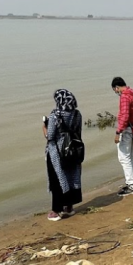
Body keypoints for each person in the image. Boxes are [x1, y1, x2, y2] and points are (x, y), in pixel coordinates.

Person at [42, 88, 84, 220]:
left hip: (57, 152)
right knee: (71, 177)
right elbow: (77, 131)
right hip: (73, 151)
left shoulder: (55, 115)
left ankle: (56, 211)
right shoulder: (77, 114)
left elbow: (50, 136)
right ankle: (69, 207)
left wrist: (44, 126)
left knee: (57, 180)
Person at [111, 77, 133, 195]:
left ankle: (132, 186)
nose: (116, 93)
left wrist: (118, 132)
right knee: (132, 156)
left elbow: (124, 115)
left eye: (115, 90)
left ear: (117, 87)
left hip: (127, 129)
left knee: (124, 157)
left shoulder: (124, 97)